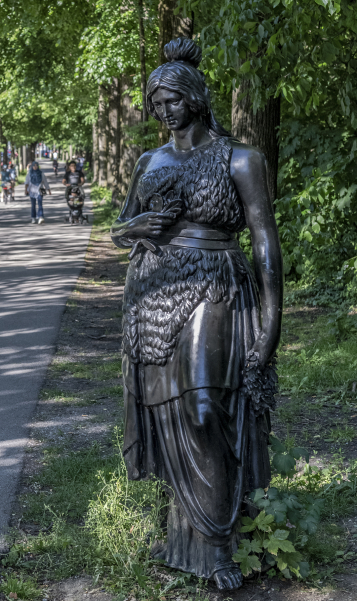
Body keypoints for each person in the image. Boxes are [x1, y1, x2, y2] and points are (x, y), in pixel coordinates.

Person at [110, 38, 283, 591]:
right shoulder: (149, 161)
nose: (164, 112)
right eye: (155, 103)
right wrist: (134, 230)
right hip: (153, 291)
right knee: (175, 412)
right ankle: (192, 537)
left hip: (216, 282)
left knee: (207, 406)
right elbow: (121, 227)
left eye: (172, 100)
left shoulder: (241, 158)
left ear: (195, 97)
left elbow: (264, 242)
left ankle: (219, 539)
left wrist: (272, 320)